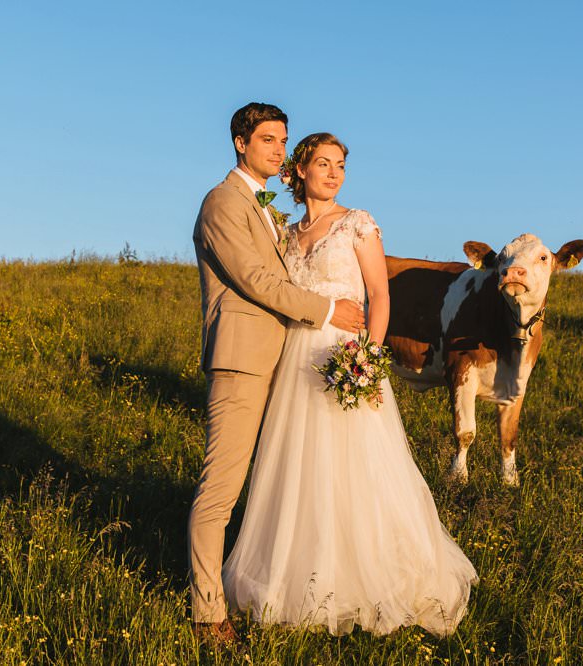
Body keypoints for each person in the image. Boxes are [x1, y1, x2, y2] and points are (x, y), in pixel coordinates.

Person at [222, 133, 478, 636]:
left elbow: (380, 296)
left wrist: (368, 357)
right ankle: (300, 576)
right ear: (299, 171)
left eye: (341, 164)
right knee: (299, 470)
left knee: (358, 467)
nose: (334, 173)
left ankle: (375, 575)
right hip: (297, 361)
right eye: (323, 163)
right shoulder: (285, 234)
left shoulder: (358, 224)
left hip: (346, 357)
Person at [190, 103, 366, 643]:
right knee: (220, 489)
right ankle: (206, 614)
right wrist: (329, 311)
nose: (278, 149)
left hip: (282, 361)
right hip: (243, 360)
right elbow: (258, 280)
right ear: (240, 143)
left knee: (273, 485)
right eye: (267, 139)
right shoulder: (223, 202)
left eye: (283, 140)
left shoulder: (264, 206)